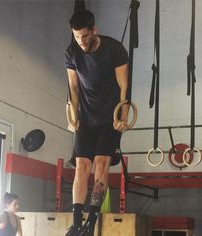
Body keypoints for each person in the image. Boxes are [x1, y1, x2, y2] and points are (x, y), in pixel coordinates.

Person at [65, 9, 129, 236]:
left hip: (109, 119)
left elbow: (123, 86)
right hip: (86, 118)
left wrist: (123, 116)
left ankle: (91, 223)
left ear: (94, 30)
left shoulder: (114, 49)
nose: (81, 41)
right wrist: (72, 114)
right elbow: (73, 88)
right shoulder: (72, 52)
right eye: (76, 36)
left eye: (84, 35)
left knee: (101, 164)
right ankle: (75, 223)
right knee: (82, 167)